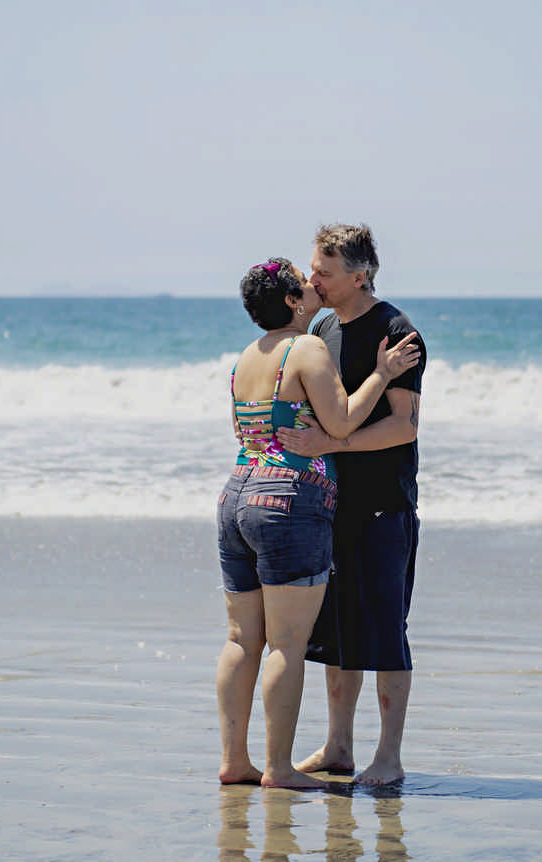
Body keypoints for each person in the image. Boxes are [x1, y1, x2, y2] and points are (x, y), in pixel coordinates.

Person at [216, 256, 419, 790]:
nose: (313, 286)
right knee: (286, 644)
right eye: (305, 283)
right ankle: (279, 769)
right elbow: (342, 421)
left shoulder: (246, 356)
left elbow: (245, 428)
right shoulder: (306, 347)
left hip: (236, 494)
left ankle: (235, 761)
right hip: (286, 500)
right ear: (290, 301)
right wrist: (382, 373)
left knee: (241, 641)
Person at [276, 224, 426, 787]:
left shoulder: (397, 331)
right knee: (336, 634)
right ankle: (338, 747)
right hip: (331, 503)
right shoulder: (321, 328)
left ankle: (388, 757)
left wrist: (329, 444)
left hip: (385, 505)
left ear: (360, 276)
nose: (312, 279)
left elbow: (403, 427)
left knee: (385, 633)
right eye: (313, 268)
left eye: (325, 272)